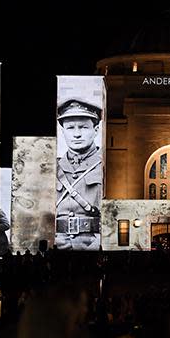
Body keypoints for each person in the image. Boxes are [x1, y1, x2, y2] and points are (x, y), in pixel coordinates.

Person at [55, 98, 103, 250]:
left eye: (83, 127)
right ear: (63, 132)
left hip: (93, 244)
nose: (76, 134)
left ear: (95, 130)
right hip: (57, 244)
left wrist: (99, 245)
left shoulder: (107, 164)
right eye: (70, 128)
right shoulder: (52, 167)